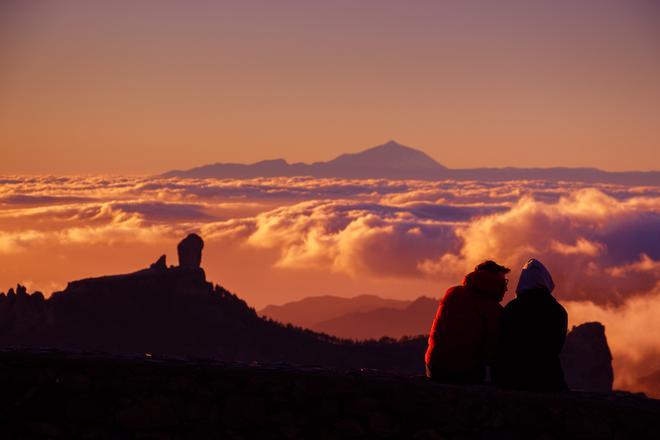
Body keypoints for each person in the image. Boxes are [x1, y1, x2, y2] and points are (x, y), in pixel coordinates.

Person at [425, 260, 510, 383]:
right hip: (462, 372)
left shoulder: (452, 292)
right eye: (504, 282)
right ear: (493, 281)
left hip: (433, 366)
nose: (506, 288)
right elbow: (491, 353)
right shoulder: (492, 309)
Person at [494, 258, 568, 391]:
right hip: (548, 379)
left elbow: (501, 345)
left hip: (512, 379)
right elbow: (556, 347)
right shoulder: (558, 311)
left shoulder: (511, 309)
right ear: (546, 281)